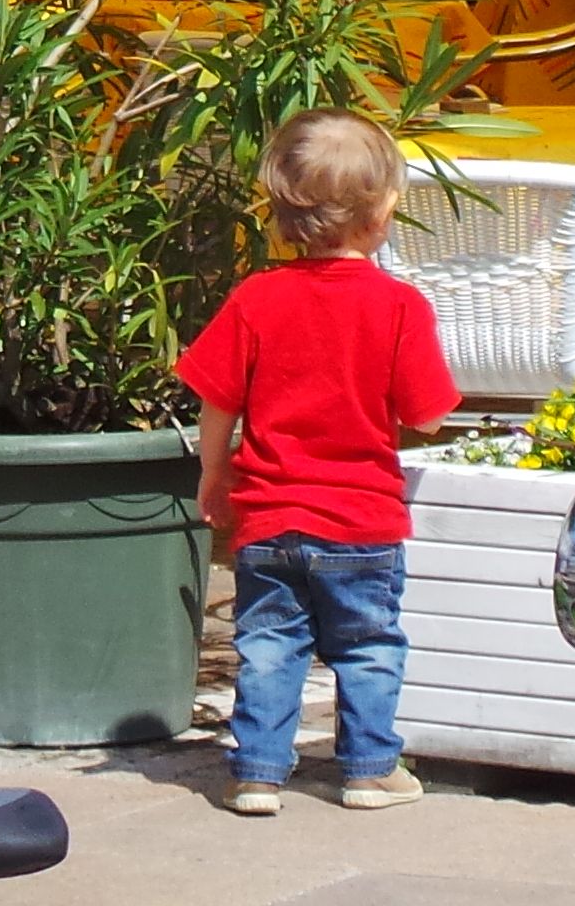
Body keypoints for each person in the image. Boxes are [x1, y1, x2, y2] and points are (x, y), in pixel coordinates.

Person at [181, 110, 451, 817]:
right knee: (367, 645)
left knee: (269, 645)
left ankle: (259, 774)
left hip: (269, 520)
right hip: (362, 521)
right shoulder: (398, 307)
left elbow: (216, 402)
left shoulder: (255, 298)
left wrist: (215, 473)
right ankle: (367, 769)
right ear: (384, 211)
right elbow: (427, 414)